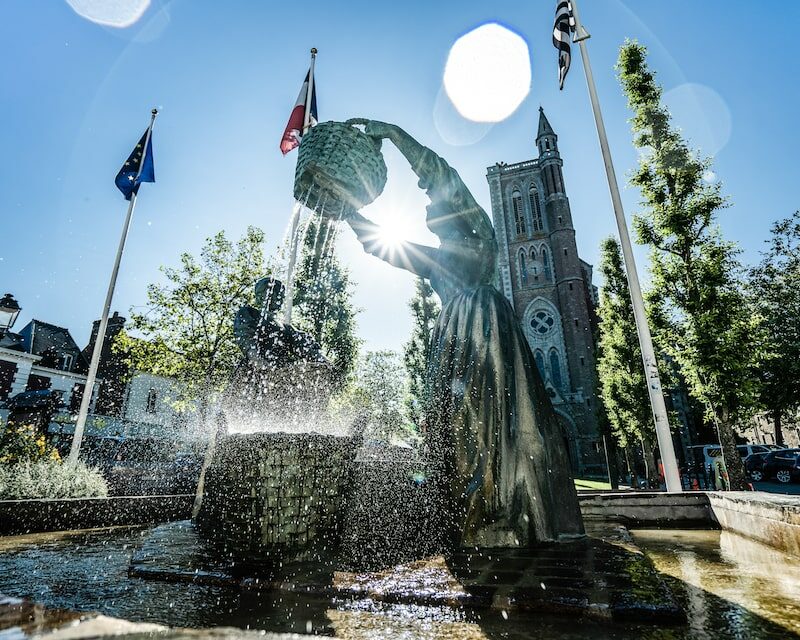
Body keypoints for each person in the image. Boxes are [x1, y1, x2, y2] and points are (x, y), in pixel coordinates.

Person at [344, 120, 583, 547]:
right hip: (454, 340)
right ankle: (466, 516)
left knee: (497, 422)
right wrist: (347, 211)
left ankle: (506, 514)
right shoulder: (434, 258)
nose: (428, 203)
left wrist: (397, 135)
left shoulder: (483, 239)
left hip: (487, 332)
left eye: (434, 202)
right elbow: (379, 245)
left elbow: (442, 175)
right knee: (454, 427)